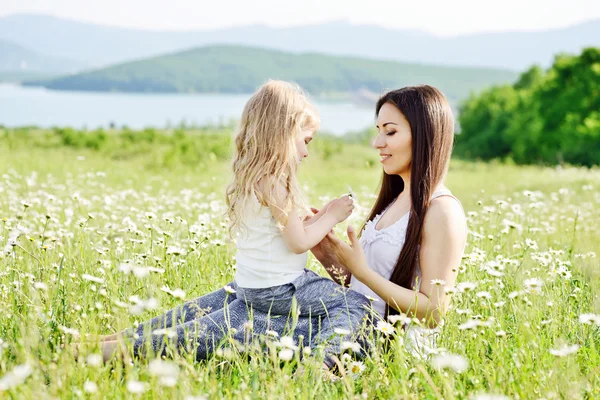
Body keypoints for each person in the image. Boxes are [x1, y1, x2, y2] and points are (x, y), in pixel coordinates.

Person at [93, 80, 370, 367]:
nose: (306, 153)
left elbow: (285, 234)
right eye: (306, 141)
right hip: (281, 288)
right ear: (285, 134)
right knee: (354, 303)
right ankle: (322, 363)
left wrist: (321, 216)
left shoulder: (255, 178)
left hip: (250, 285)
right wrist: (333, 216)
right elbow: (298, 242)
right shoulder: (277, 181)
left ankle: (105, 342)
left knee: (193, 315)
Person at [311, 85, 467, 357]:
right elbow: (364, 287)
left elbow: (433, 313)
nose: (377, 142)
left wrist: (363, 272)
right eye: (378, 130)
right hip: (350, 325)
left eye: (390, 131)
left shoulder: (442, 211)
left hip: (384, 346)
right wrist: (327, 252)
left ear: (424, 134)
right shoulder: (395, 200)